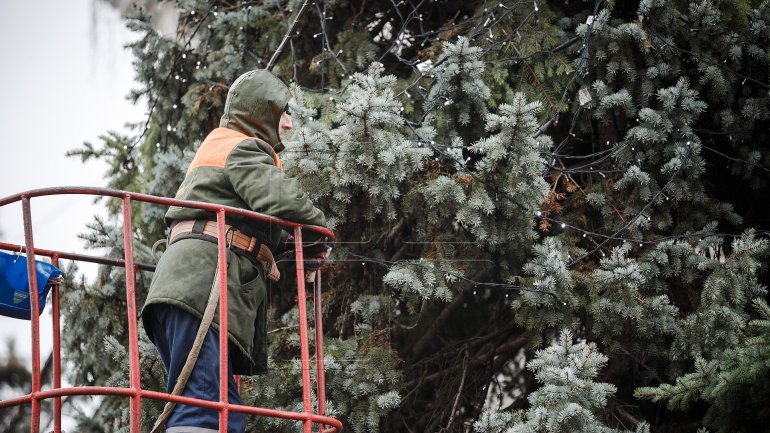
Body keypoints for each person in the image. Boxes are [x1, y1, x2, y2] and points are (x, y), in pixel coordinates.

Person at [142, 69, 328, 433]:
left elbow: (241, 211)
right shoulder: (242, 147)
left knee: (221, 410)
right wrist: (319, 230)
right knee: (207, 411)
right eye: (283, 113)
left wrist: (284, 244)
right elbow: (279, 198)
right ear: (262, 113)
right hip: (200, 289)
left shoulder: (218, 147)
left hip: (185, 288)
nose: (289, 125)